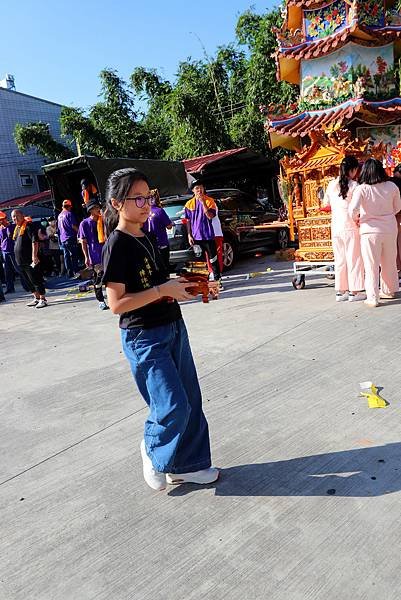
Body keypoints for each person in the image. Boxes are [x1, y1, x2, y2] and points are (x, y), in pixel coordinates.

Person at [102, 168, 219, 491]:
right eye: (137, 198)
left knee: (191, 400)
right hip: (143, 336)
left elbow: (161, 282)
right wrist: (162, 291)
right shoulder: (117, 244)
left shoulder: (149, 236)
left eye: (148, 196)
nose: (146, 204)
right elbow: (116, 304)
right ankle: (152, 449)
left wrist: (195, 286)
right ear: (116, 203)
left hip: (172, 324)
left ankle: (187, 466)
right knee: (172, 404)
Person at [349, 158, 401, 307]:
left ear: (364, 171)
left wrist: (357, 219)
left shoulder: (362, 188)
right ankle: (389, 290)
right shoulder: (392, 186)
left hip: (369, 230)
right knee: (389, 261)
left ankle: (373, 297)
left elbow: (353, 210)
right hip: (390, 229)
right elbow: (397, 208)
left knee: (371, 264)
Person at [322, 156, 366, 302]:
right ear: (353, 170)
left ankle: (341, 292)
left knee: (340, 260)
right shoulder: (355, 186)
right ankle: (355, 291)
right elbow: (357, 208)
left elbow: (325, 204)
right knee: (354, 259)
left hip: (336, 227)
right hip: (351, 226)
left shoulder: (331, 184)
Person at [184, 180, 222, 285]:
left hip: (209, 235)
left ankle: (218, 280)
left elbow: (210, 216)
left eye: (201, 187)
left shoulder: (210, 201)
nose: (199, 190)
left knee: (213, 259)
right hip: (196, 237)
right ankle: (201, 283)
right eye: (197, 188)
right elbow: (188, 220)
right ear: (193, 191)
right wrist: (189, 235)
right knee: (199, 262)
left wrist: (203, 202)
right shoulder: (189, 204)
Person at [11, 209, 48, 308]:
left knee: (35, 278)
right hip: (20, 260)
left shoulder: (28, 226)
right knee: (28, 281)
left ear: (22, 215)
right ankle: (36, 297)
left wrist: (34, 256)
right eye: (13, 217)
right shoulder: (17, 228)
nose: (15, 218)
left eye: (16, 215)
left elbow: (34, 242)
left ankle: (42, 299)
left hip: (29, 259)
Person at [78, 199, 109, 310]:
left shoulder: (104, 220)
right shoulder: (85, 223)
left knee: (111, 276)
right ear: (91, 210)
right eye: (96, 208)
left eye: (98, 207)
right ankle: (100, 300)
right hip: (95, 254)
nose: (98, 209)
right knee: (99, 277)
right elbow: (84, 242)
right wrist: (86, 257)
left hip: (107, 252)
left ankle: (113, 296)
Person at [142, 189, 173, 271]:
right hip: (161, 243)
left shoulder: (143, 212)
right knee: (164, 266)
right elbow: (169, 226)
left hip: (148, 244)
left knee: (152, 267)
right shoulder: (159, 211)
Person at [0, 211, 30, 294]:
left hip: (13, 251)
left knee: (19, 269)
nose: (1, 221)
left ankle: (27, 286)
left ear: (6, 219)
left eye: (2, 220)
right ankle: (10, 288)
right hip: (4, 252)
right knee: (7, 271)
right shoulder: (0, 228)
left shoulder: (13, 226)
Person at [58, 199, 79, 278]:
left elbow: (59, 229)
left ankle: (69, 274)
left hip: (63, 239)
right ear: (70, 206)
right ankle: (76, 273)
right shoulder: (69, 214)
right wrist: (80, 233)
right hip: (70, 237)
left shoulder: (59, 215)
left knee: (66, 256)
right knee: (74, 256)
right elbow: (73, 226)